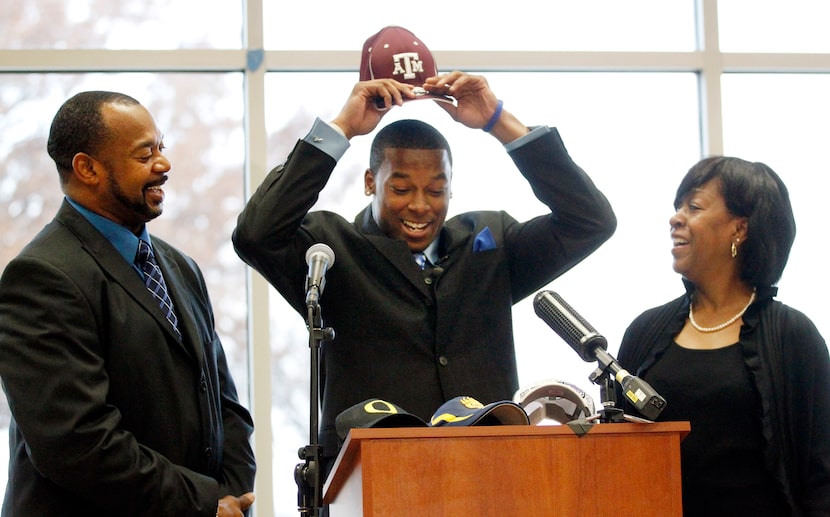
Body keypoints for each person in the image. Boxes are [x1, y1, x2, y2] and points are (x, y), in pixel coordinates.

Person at [233, 70, 617, 476]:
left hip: (490, 475)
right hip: (373, 479)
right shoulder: (329, 250)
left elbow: (590, 220)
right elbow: (255, 235)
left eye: (436, 190)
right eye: (401, 189)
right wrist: (342, 128)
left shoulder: (490, 243)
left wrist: (498, 121)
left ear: (452, 188)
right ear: (370, 182)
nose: (420, 206)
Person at [0, 91, 256, 516]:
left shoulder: (180, 266)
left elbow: (224, 403)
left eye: (161, 148)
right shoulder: (41, 277)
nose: (164, 165)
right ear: (87, 168)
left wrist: (230, 494)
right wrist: (204, 503)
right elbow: (76, 443)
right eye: (144, 154)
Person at [616, 156, 830, 515]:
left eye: (694, 206)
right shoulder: (645, 331)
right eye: (677, 207)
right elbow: (615, 456)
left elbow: (822, 473)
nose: (675, 218)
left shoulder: (792, 336)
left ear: (740, 229)